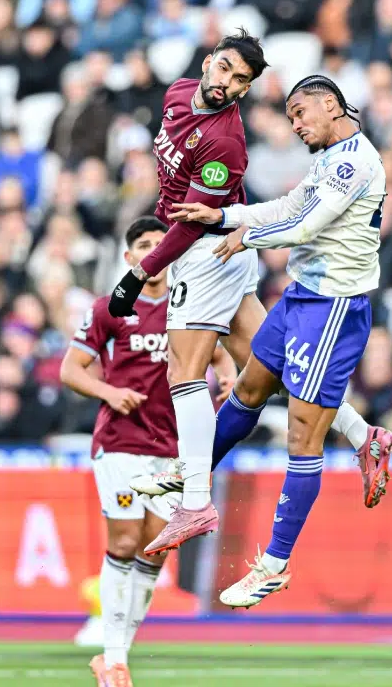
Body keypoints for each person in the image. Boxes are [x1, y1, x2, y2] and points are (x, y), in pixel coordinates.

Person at [107, 33, 390, 555]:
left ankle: (195, 497)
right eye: (226, 71)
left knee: (184, 370)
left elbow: (194, 224)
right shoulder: (176, 95)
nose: (229, 85)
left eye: (242, 82)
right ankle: (362, 435)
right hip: (228, 246)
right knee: (265, 367)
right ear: (209, 60)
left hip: (210, 251)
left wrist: (138, 275)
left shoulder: (226, 141)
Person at [60, 216, 235, 687]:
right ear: (129, 257)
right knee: (122, 542)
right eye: (144, 245)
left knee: (154, 553)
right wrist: (108, 392)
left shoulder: (192, 305)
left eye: (162, 243)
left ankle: (118, 654)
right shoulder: (111, 308)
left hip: (174, 451)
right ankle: (114, 659)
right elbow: (70, 369)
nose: (154, 251)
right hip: (120, 444)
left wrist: (230, 379)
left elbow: (220, 356)